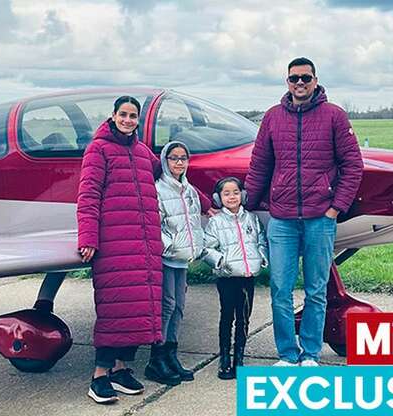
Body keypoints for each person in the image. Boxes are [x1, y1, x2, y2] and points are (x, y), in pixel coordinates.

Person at [245, 57, 363, 366]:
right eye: (294, 78)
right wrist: (247, 205)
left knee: (316, 290)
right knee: (280, 290)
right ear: (287, 81)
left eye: (305, 78)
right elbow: (260, 166)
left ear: (315, 80)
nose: (300, 83)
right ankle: (287, 353)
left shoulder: (335, 116)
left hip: (320, 219)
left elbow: (353, 166)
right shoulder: (272, 118)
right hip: (282, 219)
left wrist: (336, 208)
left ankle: (310, 352)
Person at [77, 96, 164, 404]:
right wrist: (88, 237)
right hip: (114, 242)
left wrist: (208, 206)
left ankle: (122, 369)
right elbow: (88, 195)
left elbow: (171, 180)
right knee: (115, 309)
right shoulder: (98, 150)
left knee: (138, 311)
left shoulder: (142, 153)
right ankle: (99, 375)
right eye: (123, 114)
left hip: (145, 243)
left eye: (133, 116)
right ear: (113, 116)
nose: (128, 119)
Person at [148, 141, 204, 385]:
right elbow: (154, 224)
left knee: (179, 305)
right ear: (165, 161)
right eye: (173, 158)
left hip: (182, 258)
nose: (179, 162)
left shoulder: (189, 191)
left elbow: (194, 224)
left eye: (183, 158)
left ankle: (171, 354)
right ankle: (156, 358)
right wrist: (169, 246)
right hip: (167, 256)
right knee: (167, 304)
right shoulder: (158, 189)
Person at [203, 177, 267, 379]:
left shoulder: (252, 219)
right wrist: (220, 262)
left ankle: (239, 357)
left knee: (244, 318)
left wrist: (261, 259)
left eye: (236, 192)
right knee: (227, 317)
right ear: (218, 198)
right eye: (226, 193)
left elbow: (261, 241)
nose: (232, 197)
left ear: (243, 195)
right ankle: (224, 359)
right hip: (227, 277)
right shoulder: (215, 222)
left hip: (247, 276)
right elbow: (207, 248)